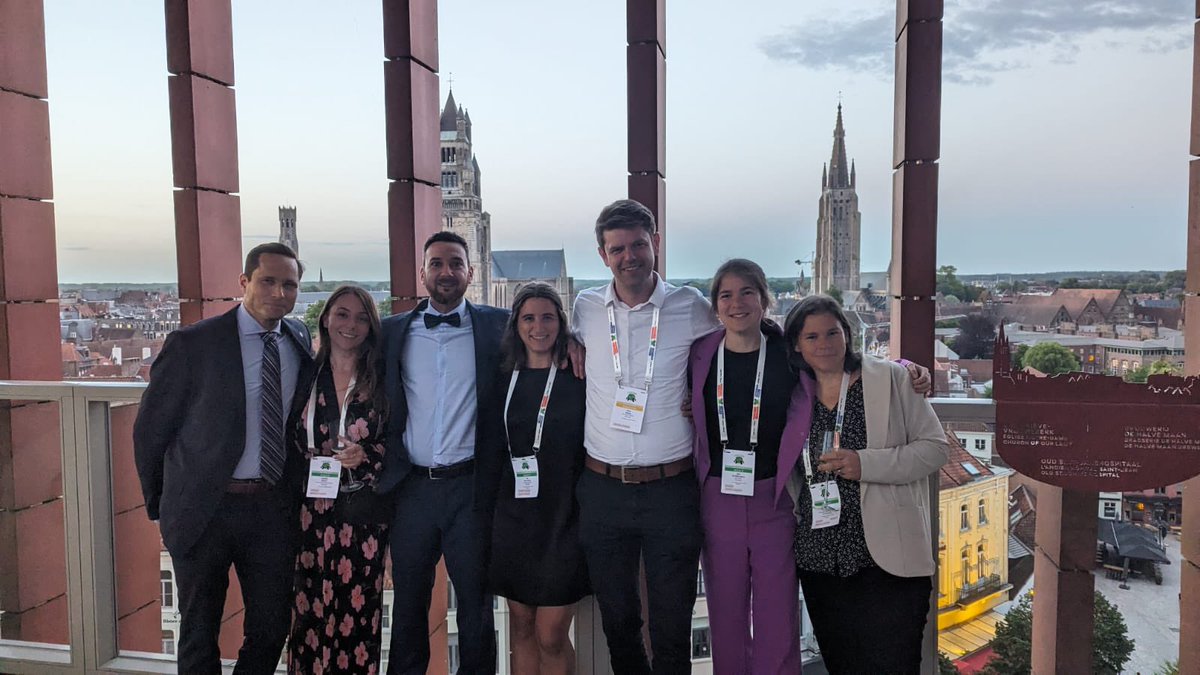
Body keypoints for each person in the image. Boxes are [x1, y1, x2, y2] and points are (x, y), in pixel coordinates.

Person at [690, 259, 931, 674]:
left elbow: (842, 365)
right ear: (715, 305)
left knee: (778, 619)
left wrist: (907, 368)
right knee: (725, 617)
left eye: (747, 291)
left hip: (776, 497)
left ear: (765, 299)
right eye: (726, 295)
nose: (737, 302)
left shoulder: (787, 355)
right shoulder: (700, 354)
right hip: (718, 497)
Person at [134, 242, 315, 674]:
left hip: (271, 508)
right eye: (268, 281)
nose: (279, 293)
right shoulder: (194, 343)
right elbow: (150, 429)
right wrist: (163, 506)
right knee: (199, 630)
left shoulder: (297, 337)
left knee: (271, 627)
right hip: (204, 509)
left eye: (289, 285)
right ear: (244, 282)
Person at [571, 199, 721, 674]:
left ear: (654, 244)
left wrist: (903, 368)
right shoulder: (585, 308)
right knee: (618, 623)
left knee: (672, 625)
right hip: (602, 489)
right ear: (603, 255)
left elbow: (749, 341)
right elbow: (539, 344)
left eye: (638, 244)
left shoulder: (691, 306)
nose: (629, 256)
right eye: (617, 249)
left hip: (670, 491)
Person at [784, 294, 948, 674]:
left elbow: (935, 449)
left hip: (887, 560)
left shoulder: (890, 379)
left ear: (848, 334)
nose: (824, 343)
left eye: (832, 332)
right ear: (796, 343)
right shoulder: (792, 393)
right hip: (819, 558)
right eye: (811, 337)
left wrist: (866, 464)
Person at [377, 231, 506, 675]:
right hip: (411, 490)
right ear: (422, 273)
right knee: (409, 602)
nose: (446, 272)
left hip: (471, 489)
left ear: (471, 272)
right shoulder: (392, 332)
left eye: (455, 263)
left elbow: (550, 342)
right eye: (437, 264)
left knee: (475, 604)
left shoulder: (499, 326)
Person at [480, 282, 590, 675]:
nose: (538, 327)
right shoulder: (501, 377)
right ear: (516, 324)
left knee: (552, 634)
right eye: (529, 318)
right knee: (523, 628)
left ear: (561, 323)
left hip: (565, 519)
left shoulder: (579, 374)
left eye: (547, 317)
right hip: (513, 520)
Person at [288, 285, 390, 674]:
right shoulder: (303, 373)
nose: (351, 325)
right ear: (326, 318)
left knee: (357, 620)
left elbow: (399, 442)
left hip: (363, 515)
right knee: (310, 614)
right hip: (310, 513)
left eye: (363, 317)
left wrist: (366, 455)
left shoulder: (381, 378)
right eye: (343, 314)